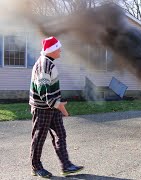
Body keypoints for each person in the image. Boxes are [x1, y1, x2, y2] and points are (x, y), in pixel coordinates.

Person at [29, 36, 83, 178]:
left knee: (60, 134)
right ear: (51, 50)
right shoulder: (43, 65)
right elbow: (43, 90)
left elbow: (49, 89)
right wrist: (58, 104)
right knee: (39, 137)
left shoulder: (49, 63)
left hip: (53, 107)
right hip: (42, 109)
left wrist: (58, 104)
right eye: (58, 48)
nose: (60, 51)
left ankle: (66, 166)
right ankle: (36, 167)